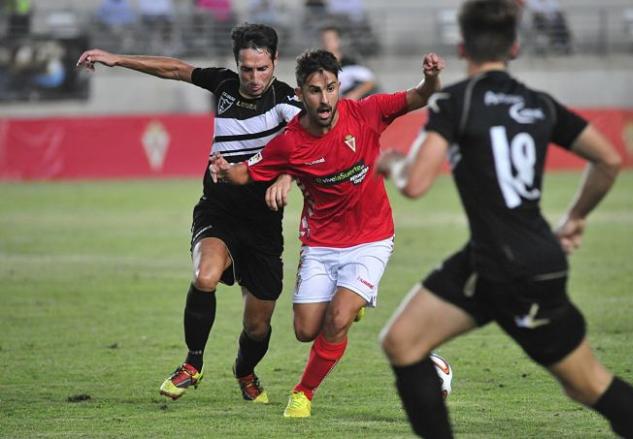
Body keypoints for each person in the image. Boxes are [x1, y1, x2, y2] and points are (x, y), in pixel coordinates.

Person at [376, 1, 633, 438]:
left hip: (511, 271)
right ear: (515, 47)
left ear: (461, 46)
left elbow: (415, 184)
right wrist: (576, 217)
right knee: (402, 341)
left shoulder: (457, 100)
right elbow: (608, 159)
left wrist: (393, 165)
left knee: (586, 385)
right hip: (506, 261)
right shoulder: (539, 103)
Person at [76, 23, 303, 404]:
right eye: (246, 68)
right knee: (205, 275)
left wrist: (286, 175)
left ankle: (245, 371)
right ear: (237, 64)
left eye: (262, 68)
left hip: (263, 222)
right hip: (219, 209)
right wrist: (118, 59)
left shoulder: (286, 100)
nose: (253, 78)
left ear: (275, 62)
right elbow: (176, 69)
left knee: (258, 324)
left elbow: (307, 139)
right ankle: (193, 363)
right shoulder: (225, 86)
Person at [213, 48, 445, 418]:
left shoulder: (366, 112)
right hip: (321, 243)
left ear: (339, 86)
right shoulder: (290, 142)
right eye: (315, 91)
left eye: (331, 88)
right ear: (301, 93)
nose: (325, 99)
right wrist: (226, 169)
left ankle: (303, 393)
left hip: (371, 237)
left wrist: (431, 77)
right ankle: (351, 306)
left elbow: (420, 95)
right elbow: (247, 172)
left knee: (337, 319)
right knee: (306, 330)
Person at [320, 25, 377, 100]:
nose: (326, 42)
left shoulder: (350, 63)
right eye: (324, 39)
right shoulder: (318, 66)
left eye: (330, 39)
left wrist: (354, 95)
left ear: (338, 41)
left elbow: (370, 81)